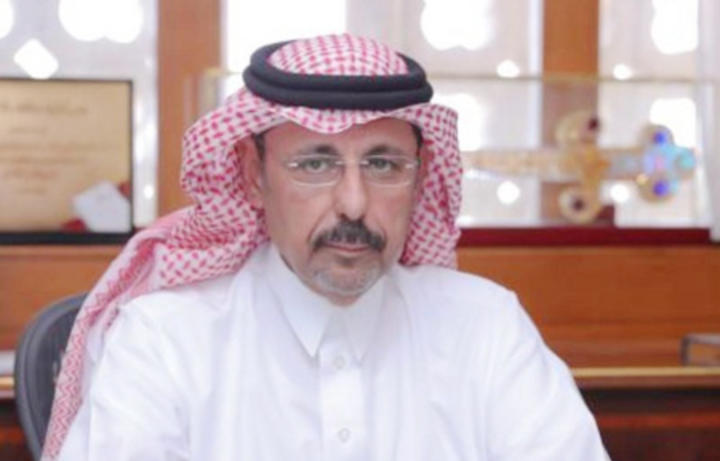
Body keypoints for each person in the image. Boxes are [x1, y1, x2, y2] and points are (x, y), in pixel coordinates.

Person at [47, 34, 608, 460]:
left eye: (383, 165)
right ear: (253, 176)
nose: (354, 204)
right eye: (315, 164)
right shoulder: (164, 341)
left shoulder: (484, 326)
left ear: (420, 176)